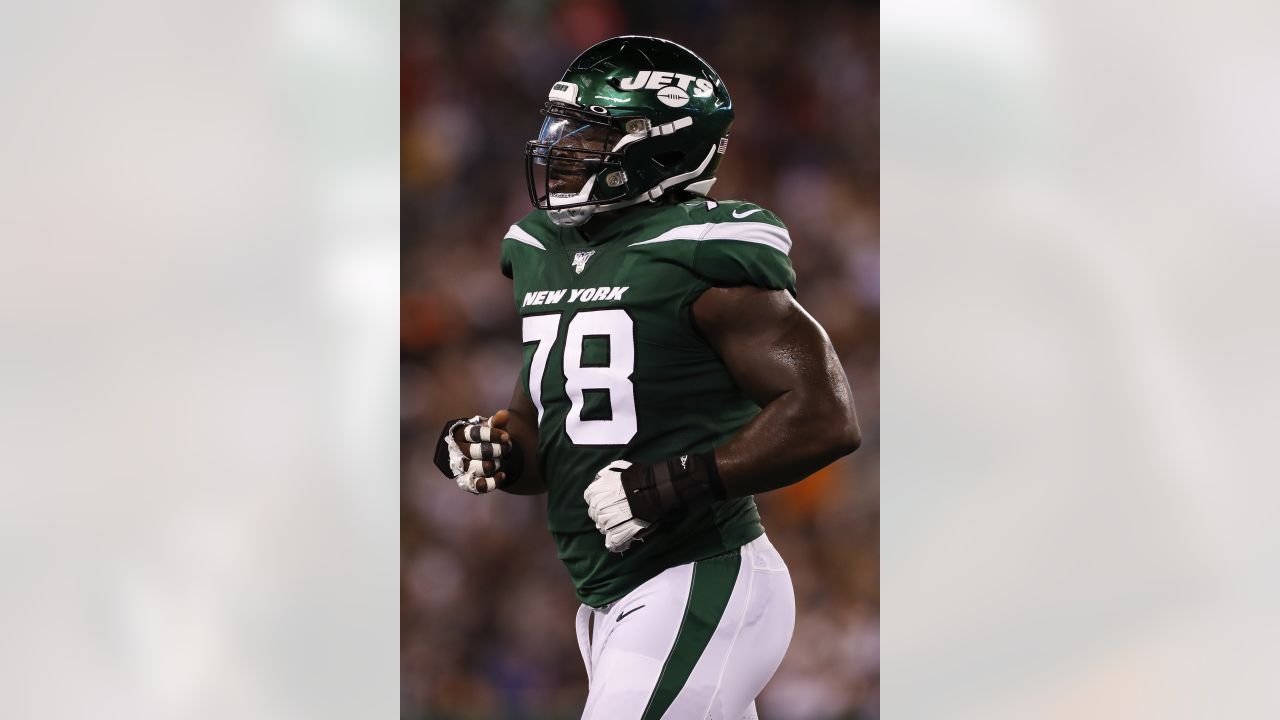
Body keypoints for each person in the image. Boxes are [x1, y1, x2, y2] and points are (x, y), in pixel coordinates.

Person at [433, 35, 860, 720]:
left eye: (590, 135)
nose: (558, 148)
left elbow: (825, 416)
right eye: (560, 128)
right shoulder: (543, 252)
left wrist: (677, 481)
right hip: (612, 597)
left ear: (659, 149)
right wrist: (494, 447)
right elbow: (545, 433)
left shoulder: (697, 257)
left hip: (699, 576)